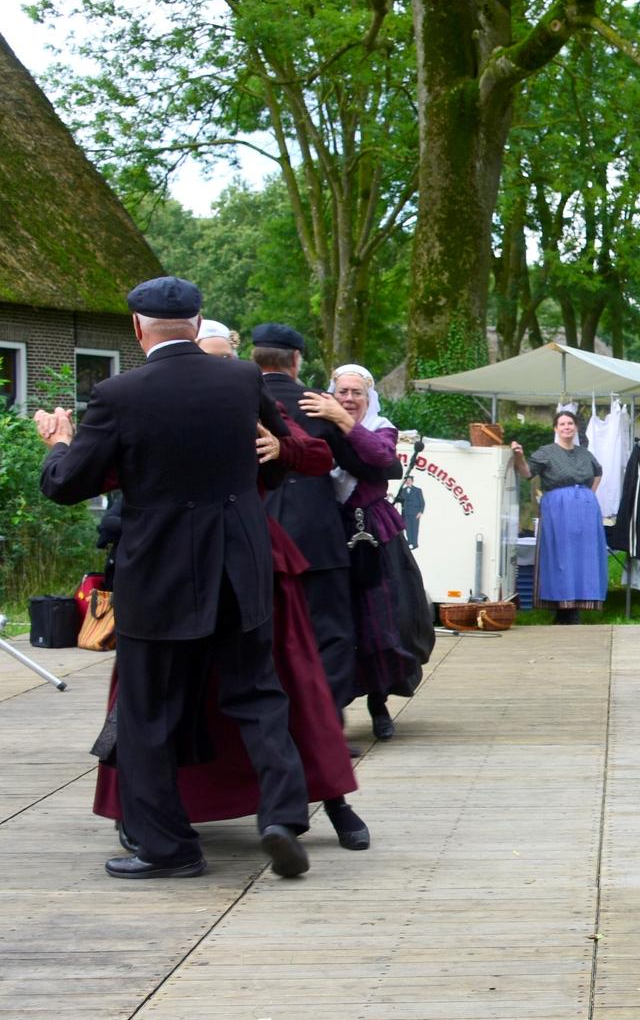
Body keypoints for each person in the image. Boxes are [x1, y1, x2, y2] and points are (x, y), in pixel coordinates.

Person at [37, 276, 311, 880]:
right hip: (240, 562)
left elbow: (67, 485)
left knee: (149, 710)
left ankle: (169, 847)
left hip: (160, 571)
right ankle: (282, 816)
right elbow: (280, 446)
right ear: (198, 319)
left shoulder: (117, 394)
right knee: (257, 694)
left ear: (138, 328)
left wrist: (59, 443)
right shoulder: (242, 379)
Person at [93, 403, 366, 851]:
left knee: (289, 685)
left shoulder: (245, 400)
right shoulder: (140, 405)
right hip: (167, 570)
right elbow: (96, 474)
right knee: (148, 693)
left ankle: (329, 801)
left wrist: (282, 448)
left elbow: (315, 455)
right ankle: (139, 811)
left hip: (248, 565)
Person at [302, 365, 430, 740]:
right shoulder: (317, 423)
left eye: (356, 393)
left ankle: (379, 704)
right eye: (342, 391)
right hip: (329, 531)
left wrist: (344, 422)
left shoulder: (380, 426)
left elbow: (379, 457)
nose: (348, 399)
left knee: (379, 622)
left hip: (374, 532)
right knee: (335, 622)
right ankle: (331, 713)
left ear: (368, 397)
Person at [253, 324, 360, 716]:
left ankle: (272, 722)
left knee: (266, 634)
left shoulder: (237, 400)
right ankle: (324, 725)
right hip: (317, 534)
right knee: (328, 632)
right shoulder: (320, 405)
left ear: (253, 358)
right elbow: (361, 463)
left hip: (259, 534)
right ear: (296, 360)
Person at [511, 410, 607, 624]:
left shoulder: (584, 453)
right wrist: (519, 456)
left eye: (570, 423)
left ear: (575, 428)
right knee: (560, 555)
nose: (566, 427)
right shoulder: (547, 452)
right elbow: (527, 473)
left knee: (583, 556)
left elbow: (598, 471)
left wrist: (588, 494)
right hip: (558, 509)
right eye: (562, 424)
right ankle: (562, 608)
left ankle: (578, 606)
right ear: (555, 428)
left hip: (585, 509)